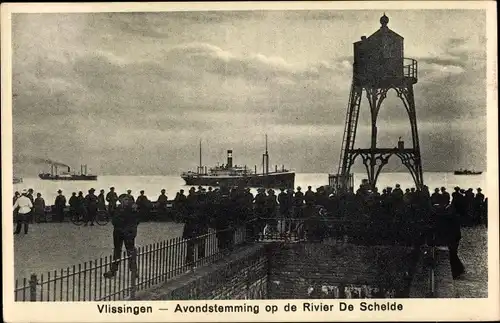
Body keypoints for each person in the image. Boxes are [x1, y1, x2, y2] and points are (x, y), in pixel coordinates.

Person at [103, 195, 139, 279]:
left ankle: (134, 271)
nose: (124, 201)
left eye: (126, 200)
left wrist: (131, 231)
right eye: (123, 200)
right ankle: (113, 270)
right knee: (117, 252)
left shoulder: (133, 210)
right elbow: (114, 220)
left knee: (130, 252)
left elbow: (136, 221)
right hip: (119, 233)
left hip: (127, 234)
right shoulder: (119, 209)